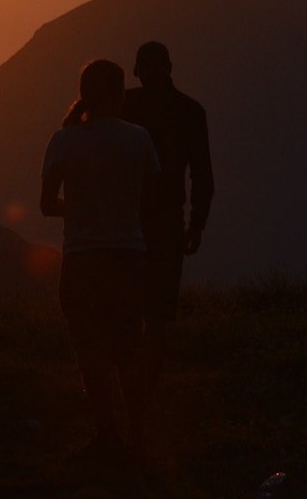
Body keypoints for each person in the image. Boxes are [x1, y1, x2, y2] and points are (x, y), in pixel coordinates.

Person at [40, 59, 160, 463]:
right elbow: (152, 200)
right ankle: (140, 436)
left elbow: (46, 205)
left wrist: (78, 208)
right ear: (120, 93)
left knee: (90, 350)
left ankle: (107, 434)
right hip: (129, 257)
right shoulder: (140, 139)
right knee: (129, 347)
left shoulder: (63, 141)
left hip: (82, 260)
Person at [120, 41, 214, 392]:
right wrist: (197, 222)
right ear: (170, 67)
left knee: (127, 301)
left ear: (136, 70)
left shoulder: (124, 106)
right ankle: (149, 382)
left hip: (126, 218)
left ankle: (130, 381)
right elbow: (202, 173)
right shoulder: (190, 111)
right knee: (158, 307)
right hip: (168, 218)